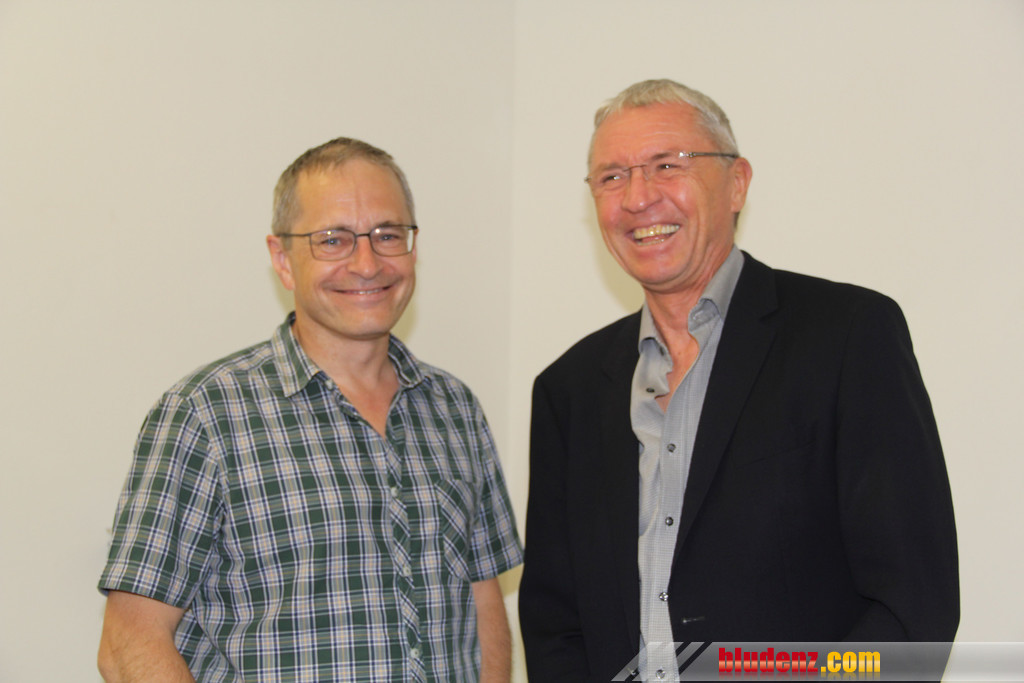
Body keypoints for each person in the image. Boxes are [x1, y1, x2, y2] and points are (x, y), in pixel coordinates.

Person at [518, 79, 959, 681]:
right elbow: (556, 626)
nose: (638, 197)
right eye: (612, 176)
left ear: (737, 183)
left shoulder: (847, 336)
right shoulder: (567, 390)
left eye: (667, 165)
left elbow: (912, 603)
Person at [97, 137, 523, 682]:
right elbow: (128, 643)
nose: (366, 263)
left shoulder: (455, 409)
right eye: (333, 240)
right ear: (283, 260)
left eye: (388, 235)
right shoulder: (204, 415)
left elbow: (483, 604)